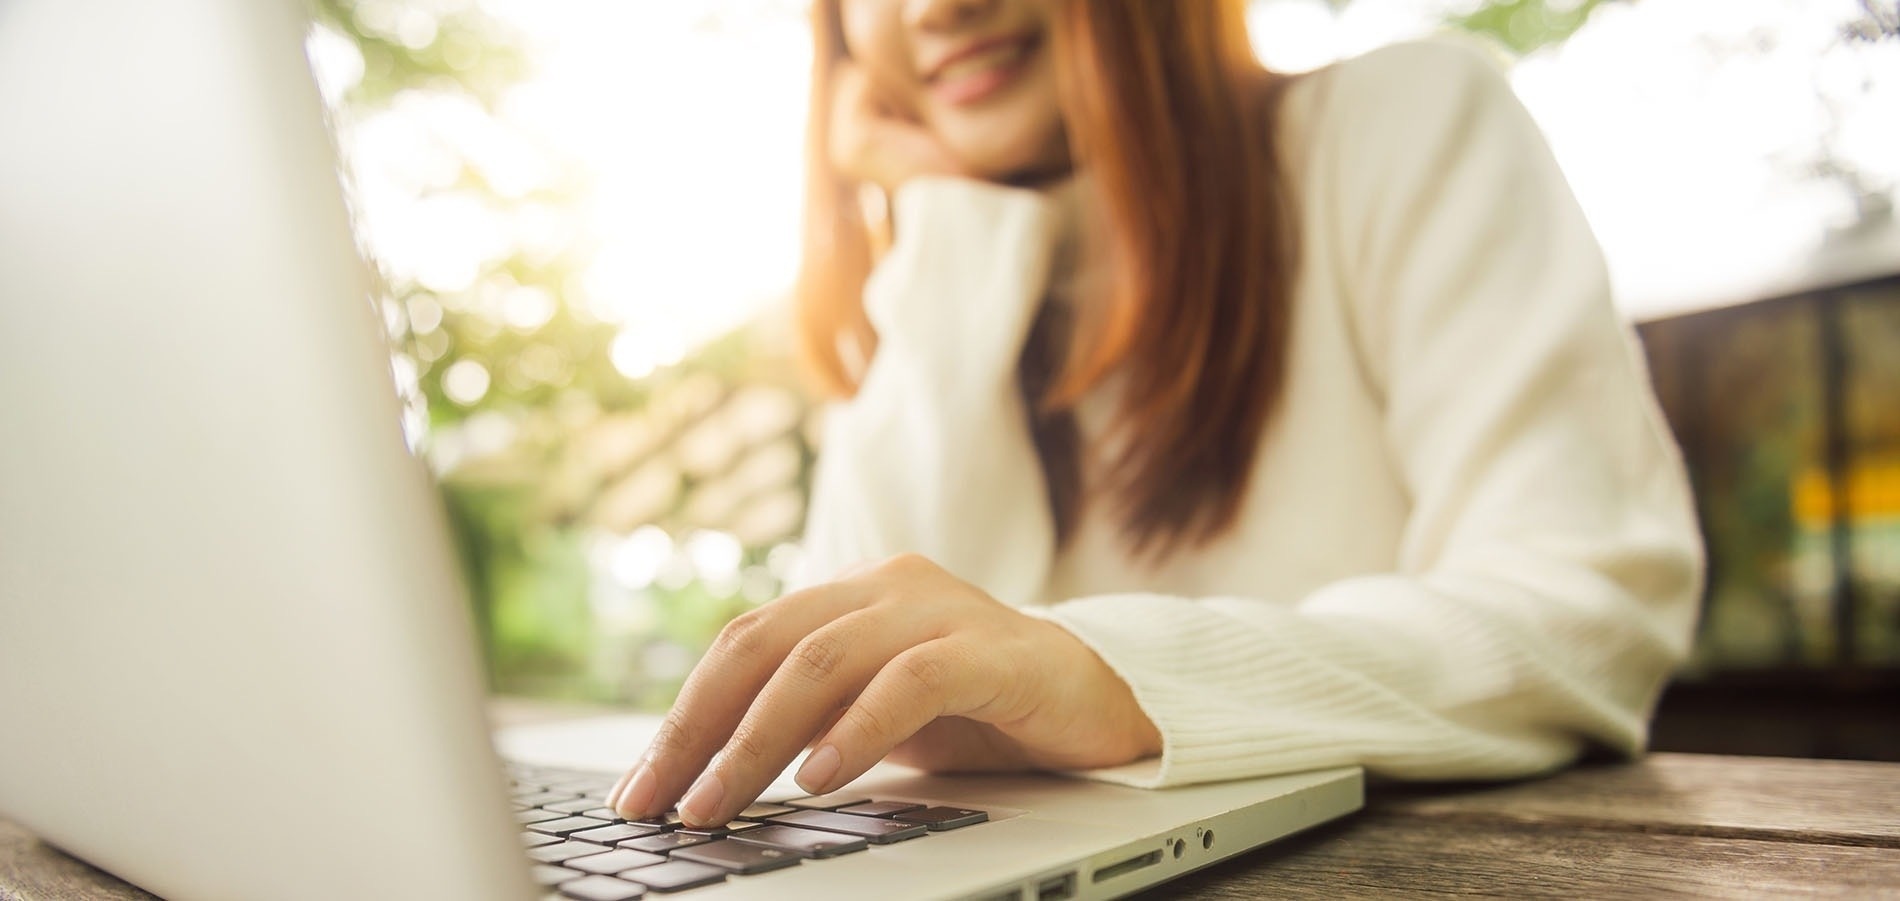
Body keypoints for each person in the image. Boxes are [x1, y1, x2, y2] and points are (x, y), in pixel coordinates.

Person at [607, 0, 1704, 829]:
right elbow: (860, 713)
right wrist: (946, 225)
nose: (935, 9)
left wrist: (1115, 676)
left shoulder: (1401, 125)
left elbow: (1586, 609)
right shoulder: (942, 280)